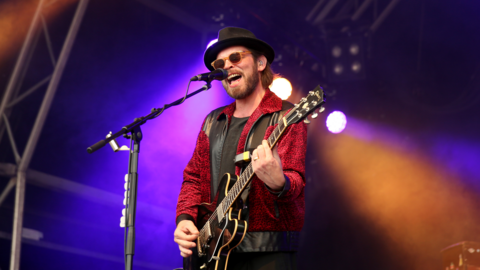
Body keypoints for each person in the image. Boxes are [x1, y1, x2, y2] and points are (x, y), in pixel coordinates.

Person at [174, 27, 307, 270]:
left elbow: (295, 181)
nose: (227, 66)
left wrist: (280, 182)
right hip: (215, 254)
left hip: (268, 253)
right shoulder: (212, 121)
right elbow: (193, 178)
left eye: (236, 57)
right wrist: (185, 219)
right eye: (220, 63)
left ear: (260, 62)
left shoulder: (286, 116)